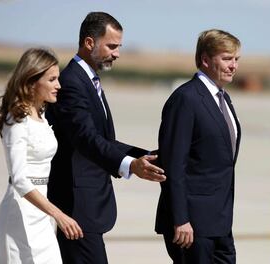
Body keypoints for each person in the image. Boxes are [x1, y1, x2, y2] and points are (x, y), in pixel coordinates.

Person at [46, 12, 166, 263]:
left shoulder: (88, 80)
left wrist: (144, 156)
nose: (117, 53)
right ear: (90, 43)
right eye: (112, 46)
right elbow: (86, 138)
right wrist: (129, 165)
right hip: (77, 205)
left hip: (89, 206)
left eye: (119, 46)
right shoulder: (72, 82)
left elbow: (104, 138)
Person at [155, 29, 241, 264]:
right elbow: (174, 165)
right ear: (205, 59)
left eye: (236, 59)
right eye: (226, 58)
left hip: (220, 222)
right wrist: (181, 219)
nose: (233, 66)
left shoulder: (223, 98)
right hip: (191, 225)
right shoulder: (186, 98)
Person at [0, 48, 83, 263]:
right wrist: (58, 215)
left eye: (57, 78)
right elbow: (20, 180)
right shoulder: (17, 121)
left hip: (42, 215)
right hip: (19, 215)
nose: (59, 85)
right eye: (52, 79)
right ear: (32, 81)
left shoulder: (41, 115)